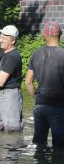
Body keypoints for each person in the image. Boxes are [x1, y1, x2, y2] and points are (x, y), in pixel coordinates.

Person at [25, 21, 64, 149]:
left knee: (39, 145)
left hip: (40, 106)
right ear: (60, 35)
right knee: (59, 148)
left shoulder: (36, 53)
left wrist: (36, 98)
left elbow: (28, 82)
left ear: (45, 35)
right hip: (59, 107)